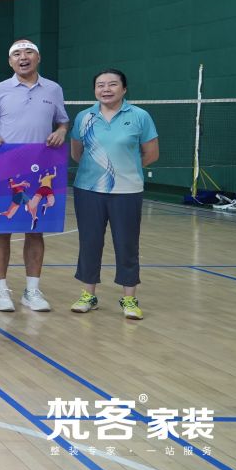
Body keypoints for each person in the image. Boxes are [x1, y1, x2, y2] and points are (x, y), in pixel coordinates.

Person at [0, 39, 70, 312]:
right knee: (2, 231)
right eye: (17, 54)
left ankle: (31, 291)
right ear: (10, 62)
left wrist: (61, 131)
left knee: (35, 229)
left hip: (41, 167)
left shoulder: (53, 89)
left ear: (38, 58)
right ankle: (0, 291)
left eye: (29, 52)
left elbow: (63, 121)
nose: (23, 57)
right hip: (6, 167)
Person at [69, 69, 159, 320]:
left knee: (126, 244)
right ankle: (88, 295)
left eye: (112, 84)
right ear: (94, 90)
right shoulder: (84, 117)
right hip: (88, 191)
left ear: (124, 89)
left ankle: (129, 299)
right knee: (89, 243)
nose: (106, 89)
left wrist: (125, 170)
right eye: (100, 85)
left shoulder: (140, 116)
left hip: (127, 191)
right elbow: (76, 153)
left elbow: (151, 154)